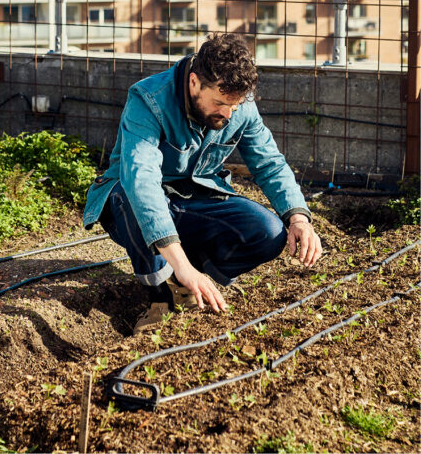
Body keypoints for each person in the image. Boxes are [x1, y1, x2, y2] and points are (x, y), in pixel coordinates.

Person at [82, 33, 323, 334]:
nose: (227, 113)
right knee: (130, 195)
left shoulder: (238, 107)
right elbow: (141, 181)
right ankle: (161, 296)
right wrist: (182, 267)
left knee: (269, 231)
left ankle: (187, 285)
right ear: (194, 83)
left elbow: (268, 162)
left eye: (233, 106)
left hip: (194, 201)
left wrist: (298, 217)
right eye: (220, 103)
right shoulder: (149, 99)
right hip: (132, 204)